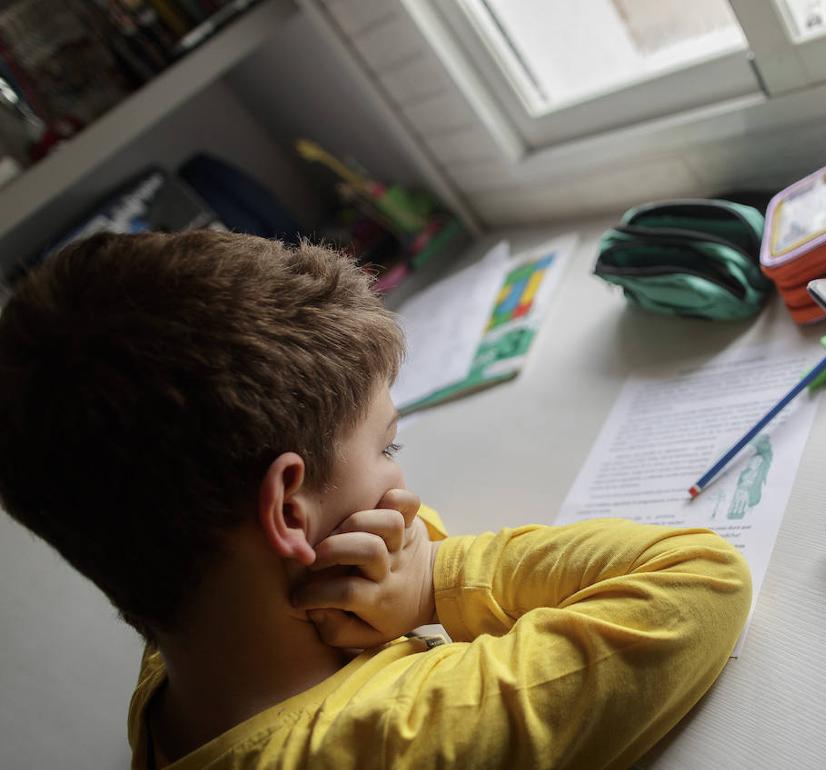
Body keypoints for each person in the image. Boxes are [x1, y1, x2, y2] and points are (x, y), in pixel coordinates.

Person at [0, 230, 751, 769]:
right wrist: (431, 583)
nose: (403, 487)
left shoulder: (180, 650)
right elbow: (700, 582)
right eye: (387, 447)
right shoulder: (401, 737)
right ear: (289, 513)